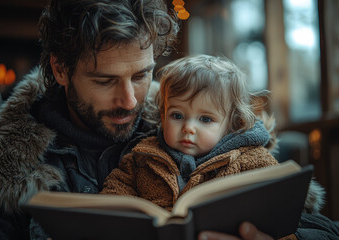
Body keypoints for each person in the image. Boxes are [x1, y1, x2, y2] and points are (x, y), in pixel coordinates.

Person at [0, 0, 337, 240]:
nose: (130, 99)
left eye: (141, 75)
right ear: (60, 69)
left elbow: (325, 229)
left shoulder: (210, 129)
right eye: (105, 81)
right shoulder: (3, 168)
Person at [101, 55, 280, 211]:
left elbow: (280, 209)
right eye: (177, 115)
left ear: (231, 124)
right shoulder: (142, 157)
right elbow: (114, 195)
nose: (188, 128)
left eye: (205, 119)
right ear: (162, 116)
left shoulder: (253, 161)